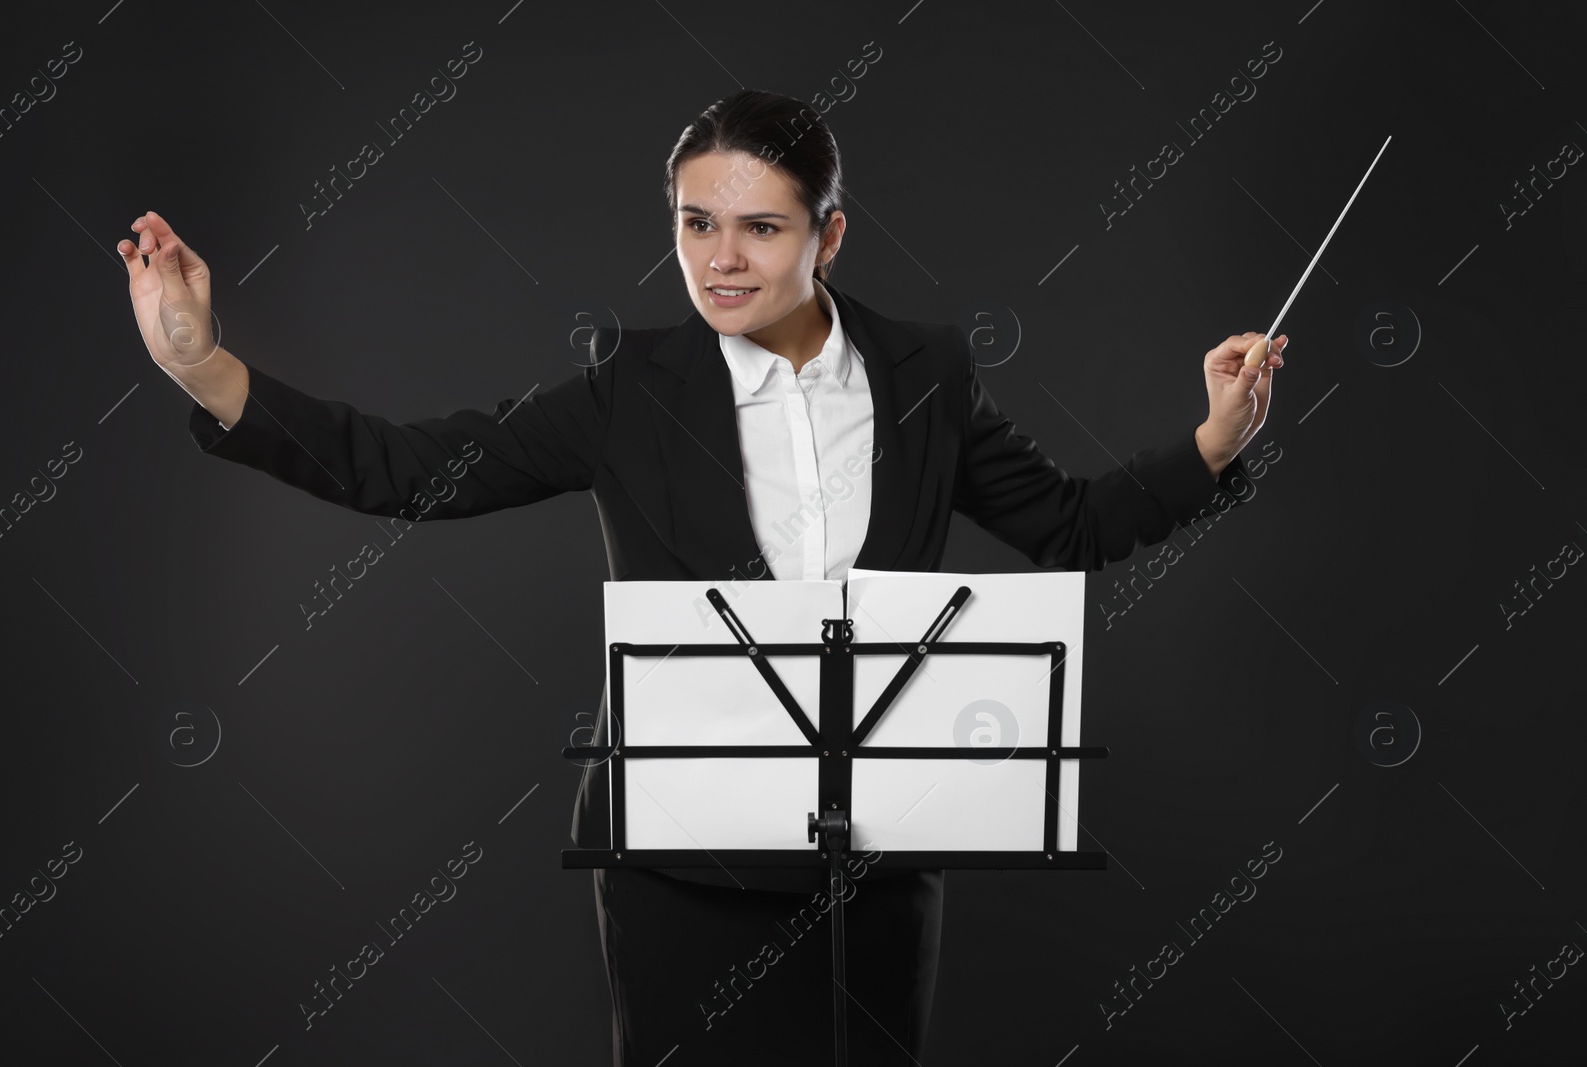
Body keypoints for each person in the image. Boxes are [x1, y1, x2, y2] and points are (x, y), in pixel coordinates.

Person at [120, 88, 1284, 1066]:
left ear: (829, 236)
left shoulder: (926, 372)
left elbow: (1070, 525)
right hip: (680, 855)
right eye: (694, 223)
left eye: (760, 229)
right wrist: (205, 364)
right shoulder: (629, 385)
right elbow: (413, 471)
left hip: (875, 850)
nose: (719, 258)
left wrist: (1212, 443)